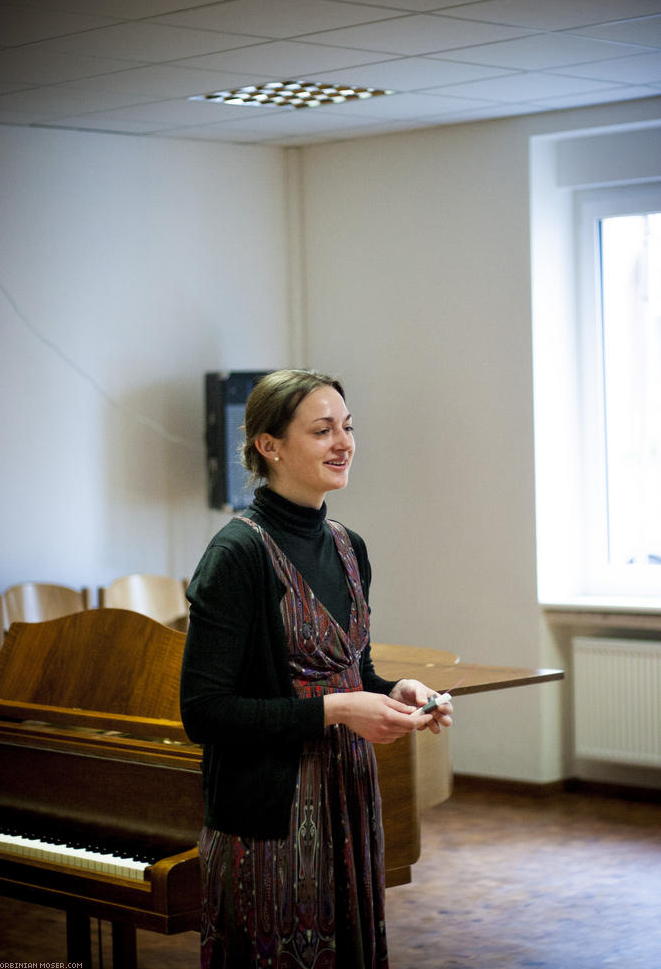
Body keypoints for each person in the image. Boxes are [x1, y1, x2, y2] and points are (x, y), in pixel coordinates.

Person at [180, 369, 453, 969]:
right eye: (322, 430)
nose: (344, 443)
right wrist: (338, 710)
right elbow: (203, 712)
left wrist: (397, 691)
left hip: (348, 800)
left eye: (348, 428)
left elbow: (354, 672)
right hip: (269, 816)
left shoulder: (349, 545)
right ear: (269, 445)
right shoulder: (236, 554)